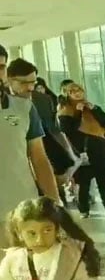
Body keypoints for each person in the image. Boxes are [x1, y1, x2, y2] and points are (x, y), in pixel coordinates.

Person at [0, 56, 60, 248]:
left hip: (20, 211)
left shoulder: (24, 108)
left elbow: (39, 158)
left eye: (1, 67)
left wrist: (54, 204)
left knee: (24, 272)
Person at [6, 60, 80, 197]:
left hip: (45, 156)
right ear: (9, 79)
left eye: (33, 82)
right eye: (24, 83)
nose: (30, 88)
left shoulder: (42, 100)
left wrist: (69, 153)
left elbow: (54, 129)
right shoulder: (5, 103)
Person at [58, 81, 105, 221]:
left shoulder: (91, 107)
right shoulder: (65, 111)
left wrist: (94, 109)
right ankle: (83, 210)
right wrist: (77, 112)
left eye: (80, 90)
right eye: (73, 91)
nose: (78, 93)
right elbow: (68, 130)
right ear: (67, 94)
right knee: (82, 184)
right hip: (81, 152)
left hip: (99, 149)